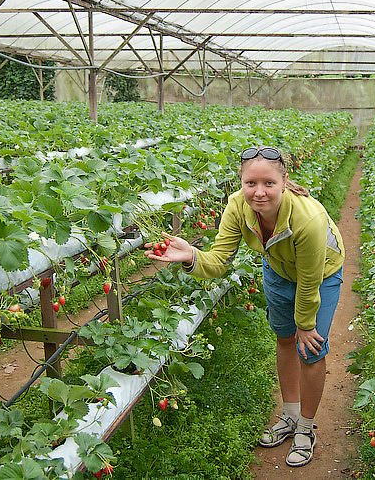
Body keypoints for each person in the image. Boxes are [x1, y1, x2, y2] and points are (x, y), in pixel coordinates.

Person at [146, 145, 345, 467]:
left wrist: (305, 325)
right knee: (284, 339)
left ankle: (307, 428)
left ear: (284, 181)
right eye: (251, 183)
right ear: (241, 183)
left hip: (322, 274)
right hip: (279, 270)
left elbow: (309, 281)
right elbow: (219, 261)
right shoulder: (237, 207)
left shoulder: (308, 219)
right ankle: (290, 415)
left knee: (310, 348)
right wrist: (191, 257)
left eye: (268, 183)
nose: (259, 192)